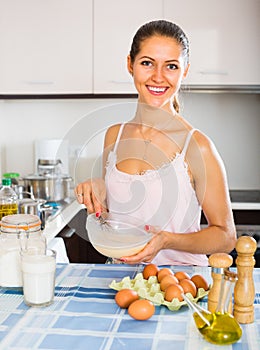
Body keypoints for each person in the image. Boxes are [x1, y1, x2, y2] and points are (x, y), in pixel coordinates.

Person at [75, 20, 236, 266]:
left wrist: (167, 240)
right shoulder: (114, 136)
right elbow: (109, 220)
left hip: (183, 285)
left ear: (185, 71)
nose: (158, 77)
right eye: (147, 63)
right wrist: (97, 193)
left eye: (171, 66)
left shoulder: (196, 145)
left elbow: (226, 237)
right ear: (130, 64)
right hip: (121, 281)